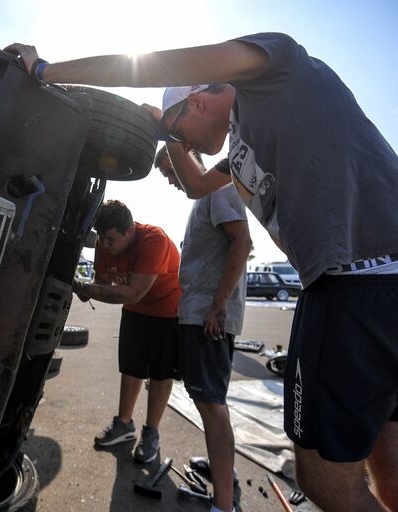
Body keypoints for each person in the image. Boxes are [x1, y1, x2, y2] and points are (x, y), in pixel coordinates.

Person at [6, 34, 398, 512]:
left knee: (326, 480)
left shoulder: (278, 72)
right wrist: (165, 129)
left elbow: (154, 67)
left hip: (357, 288)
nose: (183, 145)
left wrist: (44, 71)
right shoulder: (240, 147)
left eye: (182, 131)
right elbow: (197, 184)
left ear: (197, 99)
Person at [158, 147, 250, 512]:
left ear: (188, 157)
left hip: (207, 317)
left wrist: (217, 306)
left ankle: (223, 505)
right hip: (198, 312)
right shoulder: (204, 198)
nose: (170, 179)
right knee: (209, 402)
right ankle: (222, 474)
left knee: (212, 406)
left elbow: (242, 243)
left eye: (171, 170)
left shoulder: (217, 189)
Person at [72, 199, 181, 464]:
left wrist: (85, 289)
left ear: (129, 230)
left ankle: (151, 432)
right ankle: (124, 424)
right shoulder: (103, 243)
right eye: (102, 239)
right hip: (135, 310)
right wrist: (82, 287)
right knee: (131, 368)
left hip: (168, 309)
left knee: (160, 372)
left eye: (111, 239)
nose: (105, 245)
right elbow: (101, 283)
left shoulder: (153, 239)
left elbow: (133, 292)